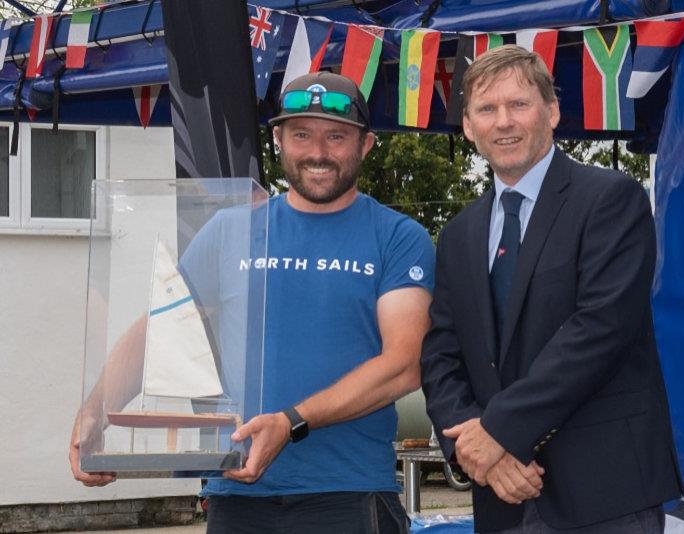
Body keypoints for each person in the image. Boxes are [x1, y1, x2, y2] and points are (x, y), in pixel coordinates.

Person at [70, 71, 435, 534]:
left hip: (347, 493)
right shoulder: (229, 231)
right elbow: (157, 329)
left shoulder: (398, 238)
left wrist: (290, 422)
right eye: (302, 134)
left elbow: (403, 363)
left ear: (365, 146)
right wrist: (93, 415)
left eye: (336, 136)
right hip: (235, 492)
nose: (318, 152)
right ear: (278, 139)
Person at [420, 45, 683, 533]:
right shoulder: (459, 234)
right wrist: (475, 451)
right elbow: (441, 356)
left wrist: (497, 432)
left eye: (518, 104)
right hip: (500, 496)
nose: (504, 121)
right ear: (469, 126)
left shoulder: (610, 199)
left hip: (606, 495)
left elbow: (598, 331)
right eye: (486, 109)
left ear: (552, 111)